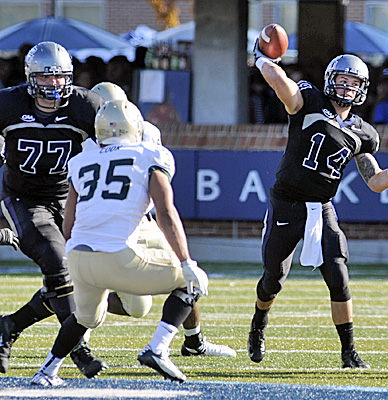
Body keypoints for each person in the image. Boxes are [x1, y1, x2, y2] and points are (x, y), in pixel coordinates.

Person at [248, 43, 388, 368]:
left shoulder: (363, 133)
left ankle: (349, 352)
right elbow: (281, 83)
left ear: (362, 89)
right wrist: (263, 58)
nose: (346, 87)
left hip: (322, 207)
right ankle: (259, 322)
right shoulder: (309, 102)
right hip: (287, 203)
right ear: (330, 80)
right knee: (273, 279)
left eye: (353, 82)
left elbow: (375, 181)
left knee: (338, 275)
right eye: (342, 80)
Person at [31, 99, 210, 386]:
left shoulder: (81, 161)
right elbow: (165, 212)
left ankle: (47, 370)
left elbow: (69, 223)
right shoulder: (150, 154)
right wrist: (187, 262)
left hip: (78, 256)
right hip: (119, 257)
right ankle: (158, 347)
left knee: (85, 318)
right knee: (190, 281)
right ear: (136, 128)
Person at [87, 82, 236, 358]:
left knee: (187, 272)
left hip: (142, 218)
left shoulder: (147, 134)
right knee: (137, 307)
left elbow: (159, 189)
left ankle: (194, 341)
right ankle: (78, 303)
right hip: (107, 224)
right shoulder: (86, 140)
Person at [0, 41, 108, 378]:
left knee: (79, 274)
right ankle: (77, 349)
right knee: (56, 260)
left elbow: (117, 147)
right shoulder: (8, 103)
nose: (54, 85)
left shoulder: (85, 105)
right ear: (31, 77)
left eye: (61, 77)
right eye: (46, 78)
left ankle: (9, 326)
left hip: (68, 199)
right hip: (22, 199)